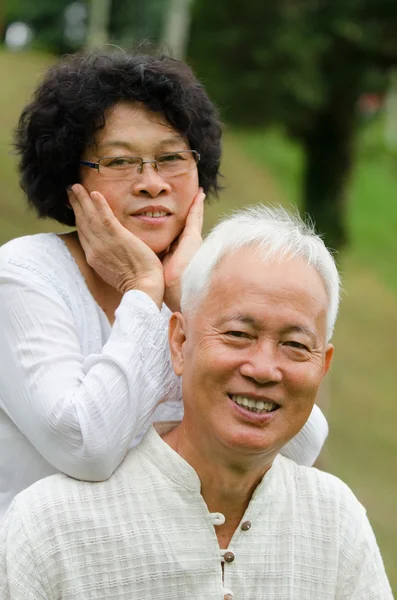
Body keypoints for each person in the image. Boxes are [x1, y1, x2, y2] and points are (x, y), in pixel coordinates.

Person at [0, 206, 392, 599]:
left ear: (322, 366)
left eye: (294, 345)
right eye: (239, 334)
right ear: (179, 343)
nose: (264, 369)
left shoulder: (335, 522)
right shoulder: (50, 528)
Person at [0, 50, 328, 521]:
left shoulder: (204, 281)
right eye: (119, 162)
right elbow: (84, 447)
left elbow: (298, 449)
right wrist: (141, 289)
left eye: (171, 158)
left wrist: (187, 296)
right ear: (68, 176)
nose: (151, 183)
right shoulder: (24, 274)